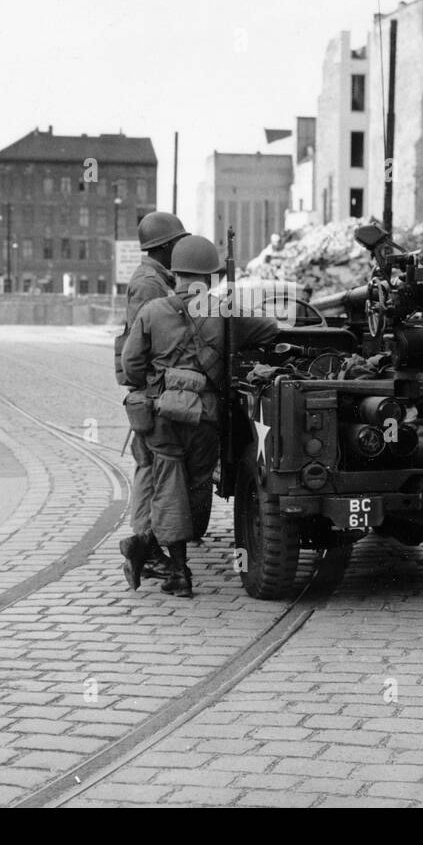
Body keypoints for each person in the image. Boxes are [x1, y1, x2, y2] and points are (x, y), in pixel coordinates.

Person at [121, 234, 279, 596]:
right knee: (194, 487)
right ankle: (153, 551)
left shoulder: (152, 311)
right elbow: (270, 329)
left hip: (162, 416)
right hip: (206, 419)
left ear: (174, 273)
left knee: (167, 487)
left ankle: (177, 570)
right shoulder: (222, 313)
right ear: (211, 277)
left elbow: (131, 367)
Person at [114, 210, 188, 589]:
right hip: (150, 390)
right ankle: (144, 542)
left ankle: (144, 542)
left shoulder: (157, 279)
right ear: (163, 247)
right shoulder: (149, 284)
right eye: (177, 243)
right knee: (152, 467)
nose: (181, 248)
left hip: (149, 388)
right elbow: (140, 345)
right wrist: (150, 391)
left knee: (150, 465)